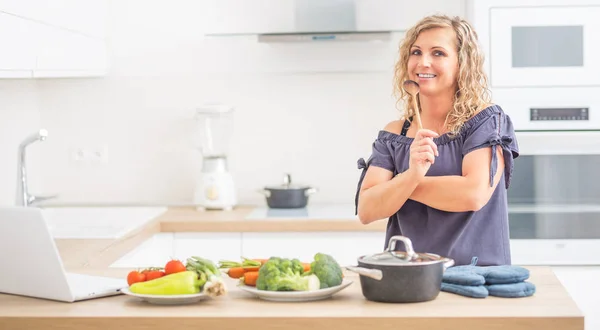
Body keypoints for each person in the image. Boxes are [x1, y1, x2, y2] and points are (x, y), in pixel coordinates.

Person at [355, 15, 519, 266]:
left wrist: (402, 186)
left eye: (438, 53)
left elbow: (472, 194)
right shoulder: (395, 133)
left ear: (462, 64)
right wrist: (411, 175)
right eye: (416, 52)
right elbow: (367, 209)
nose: (423, 62)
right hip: (410, 279)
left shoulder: (485, 121)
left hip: (476, 279)